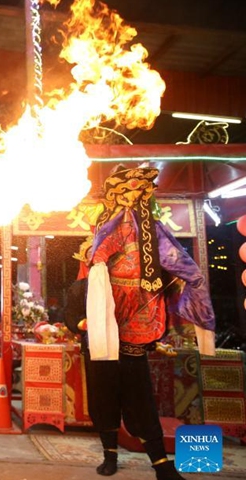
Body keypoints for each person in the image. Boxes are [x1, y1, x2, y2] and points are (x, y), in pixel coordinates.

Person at [73, 165, 215, 480]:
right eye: (125, 192)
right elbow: (89, 275)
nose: (131, 199)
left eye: (138, 192)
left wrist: (190, 279)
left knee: (139, 393)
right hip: (105, 322)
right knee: (104, 393)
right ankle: (109, 454)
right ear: (114, 196)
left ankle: (160, 463)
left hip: (137, 321)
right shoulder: (105, 232)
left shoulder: (154, 231)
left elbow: (177, 260)